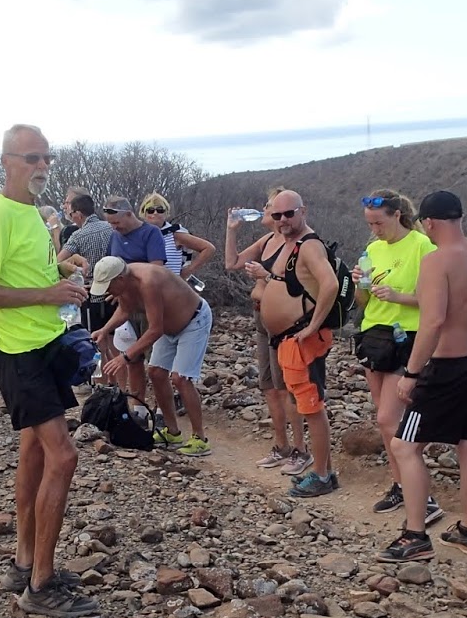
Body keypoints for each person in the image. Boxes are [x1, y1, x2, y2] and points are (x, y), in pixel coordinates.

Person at [0, 124, 98, 618]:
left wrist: (61, 273)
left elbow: (22, 271)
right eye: (31, 158)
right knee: (65, 456)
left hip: (43, 344)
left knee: (34, 451)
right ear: (6, 162)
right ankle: (41, 586)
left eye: (46, 158)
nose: (42, 166)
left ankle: (24, 564)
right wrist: (47, 294)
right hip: (19, 353)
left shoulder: (31, 213)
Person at [381, 190, 467, 562]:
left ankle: (415, 536)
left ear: (428, 223)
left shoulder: (436, 261)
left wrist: (411, 373)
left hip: (446, 368)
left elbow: (433, 321)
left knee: (404, 446)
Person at [355, 190, 444, 525]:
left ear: (397, 215)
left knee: (389, 417)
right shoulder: (373, 250)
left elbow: (434, 299)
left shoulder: (422, 246)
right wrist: (361, 284)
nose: (375, 230)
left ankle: (424, 497)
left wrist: (397, 296)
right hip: (374, 335)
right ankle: (401, 485)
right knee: (384, 418)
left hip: (407, 337)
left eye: (379, 223)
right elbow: (363, 303)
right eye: (370, 224)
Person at [225, 186, 312, 476]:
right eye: (272, 210)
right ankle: (282, 446)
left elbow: (300, 284)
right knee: (270, 387)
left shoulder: (300, 243)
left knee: (286, 388)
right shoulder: (267, 241)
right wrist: (231, 231)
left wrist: (267, 275)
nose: (271, 213)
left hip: (284, 322)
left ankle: (301, 449)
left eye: (275, 209)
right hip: (262, 318)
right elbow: (231, 263)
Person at [89, 257, 214, 456]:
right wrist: (104, 330)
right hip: (169, 328)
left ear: (120, 279)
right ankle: (172, 432)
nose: (108, 291)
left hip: (193, 320)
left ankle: (200, 438)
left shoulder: (148, 281)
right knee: (156, 373)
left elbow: (155, 330)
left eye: (108, 286)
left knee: (181, 378)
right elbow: (125, 309)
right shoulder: (125, 283)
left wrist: (125, 357)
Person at [261, 190, 339, 497]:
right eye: (277, 215)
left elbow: (330, 283)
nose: (283, 220)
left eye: (289, 214)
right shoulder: (289, 244)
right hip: (289, 340)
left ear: (302, 211)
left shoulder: (309, 245)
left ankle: (321, 475)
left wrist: (313, 326)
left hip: (302, 339)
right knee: (306, 405)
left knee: (312, 408)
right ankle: (324, 471)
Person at [102, 196, 168, 405]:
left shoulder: (151, 233)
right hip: (126, 305)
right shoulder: (114, 236)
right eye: (111, 224)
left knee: (156, 364)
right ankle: (138, 407)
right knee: (132, 358)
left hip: (150, 304)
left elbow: (156, 270)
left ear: (129, 214)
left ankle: (161, 410)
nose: (114, 227)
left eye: (116, 222)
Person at [59, 192, 115, 334]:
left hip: (91, 293)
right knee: (113, 335)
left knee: (96, 336)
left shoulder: (77, 236)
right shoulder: (111, 227)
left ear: (78, 214)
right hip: (115, 291)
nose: (72, 218)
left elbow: (58, 261)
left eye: (71, 214)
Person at [141, 193, 216, 285]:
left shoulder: (174, 233)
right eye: (150, 210)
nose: (155, 213)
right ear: (144, 214)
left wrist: (186, 272)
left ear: (166, 213)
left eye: (160, 210)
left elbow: (208, 248)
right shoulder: (138, 234)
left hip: (170, 287)